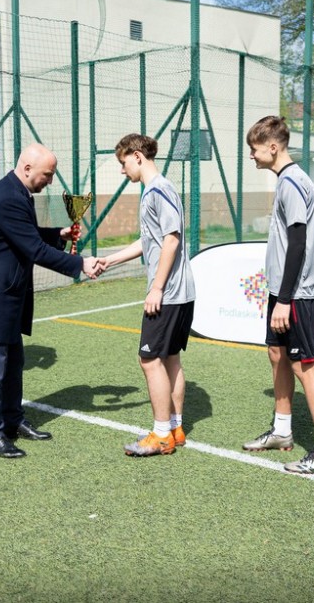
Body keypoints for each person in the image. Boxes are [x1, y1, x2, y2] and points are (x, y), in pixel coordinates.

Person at [0, 143, 102, 458]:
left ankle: (12, 420)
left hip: (6, 296)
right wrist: (80, 264)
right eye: (47, 175)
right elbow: (33, 249)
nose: (50, 181)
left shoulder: (17, 191)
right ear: (28, 168)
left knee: (14, 363)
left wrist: (57, 235)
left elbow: (24, 233)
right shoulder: (9, 196)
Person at [240, 116, 314, 476]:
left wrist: (285, 299)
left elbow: (298, 242)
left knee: (304, 366)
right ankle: (282, 431)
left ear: (272, 147)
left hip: (294, 293)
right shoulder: (286, 180)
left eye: (254, 149)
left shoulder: (294, 183)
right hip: (281, 290)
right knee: (277, 354)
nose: (251, 156)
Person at [100, 134, 196, 456]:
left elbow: (171, 239)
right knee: (170, 358)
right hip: (178, 292)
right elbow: (149, 241)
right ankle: (175, 428)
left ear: (137, 156)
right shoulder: (155, 190)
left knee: (149, 359)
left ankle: (161, 434)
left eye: (123, 162)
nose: (122, 169)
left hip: (168, 293)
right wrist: (109, 260)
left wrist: (157, 288)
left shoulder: (158, 190)